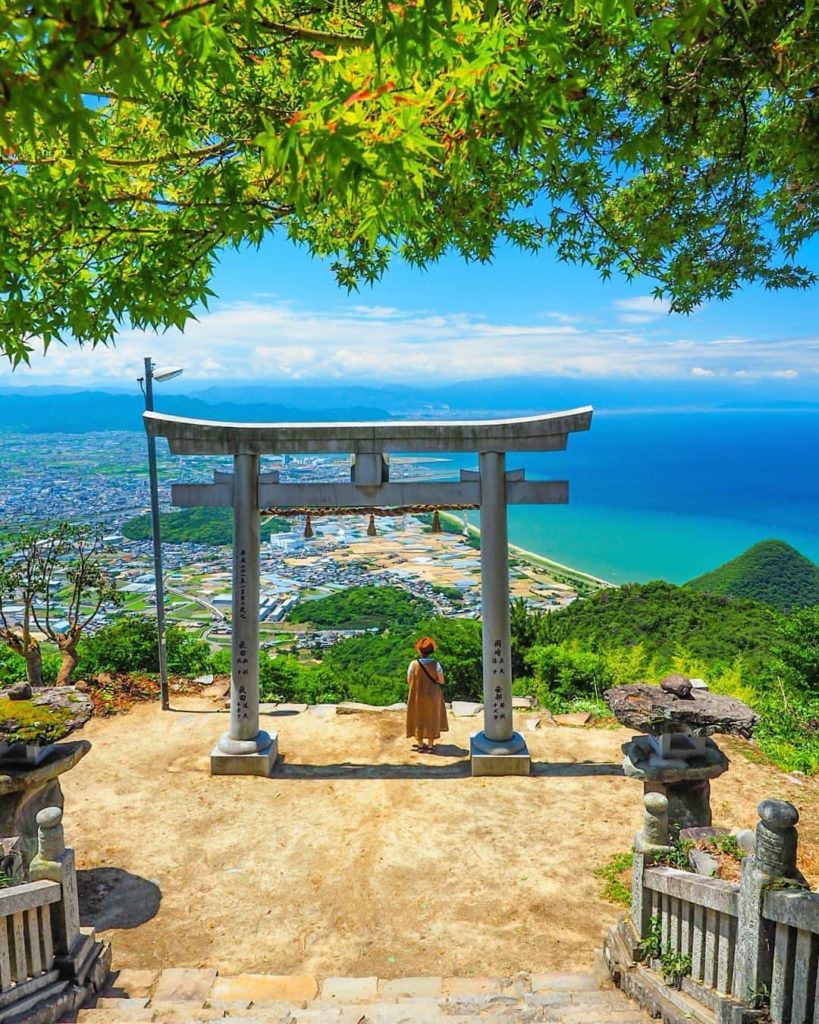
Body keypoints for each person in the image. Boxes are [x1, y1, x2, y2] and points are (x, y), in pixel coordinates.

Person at [406, 636, 448, 753]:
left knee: (418, 717)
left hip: (417, 694)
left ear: (419, 650)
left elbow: (409, 681)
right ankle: (430, 746)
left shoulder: (413, 664)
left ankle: (420, 745)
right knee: (432, 718)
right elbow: (441, 681)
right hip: (433, 695)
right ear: (431, 651)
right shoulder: (436, 664)